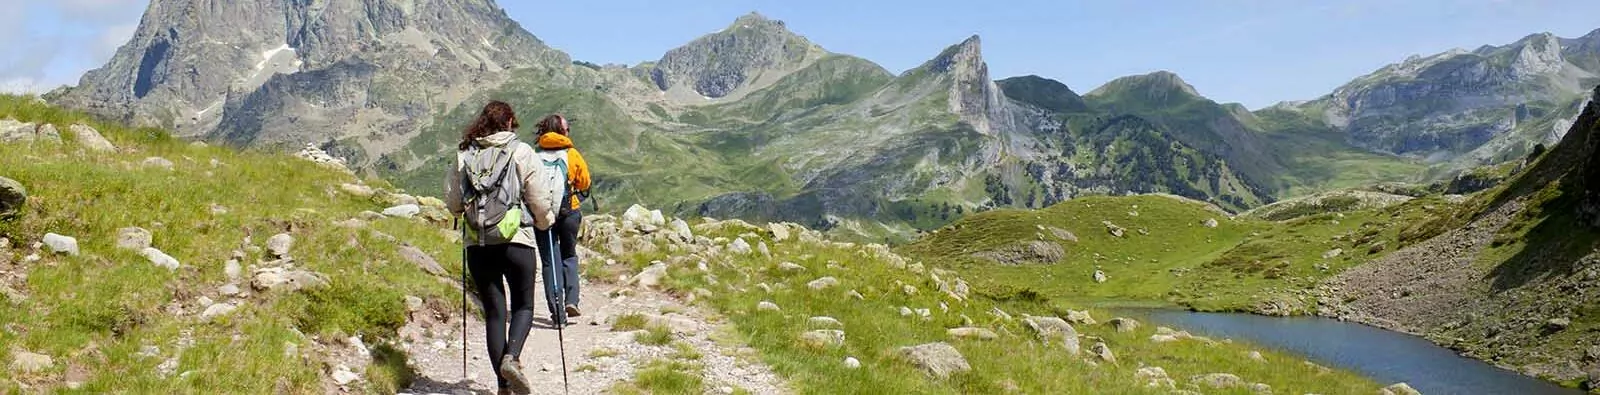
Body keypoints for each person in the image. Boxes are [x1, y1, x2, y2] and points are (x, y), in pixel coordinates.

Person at [444, 100, 556, 395]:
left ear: (481, 123)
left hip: (478, 243)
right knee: (524, 306)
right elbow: (540, 200)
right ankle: (513, 357)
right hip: (516, 240)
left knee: (495, 313)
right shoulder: (521, 152)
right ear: (509, 123)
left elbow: (454, 204)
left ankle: (503, 386)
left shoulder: (464, 153)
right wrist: (545, 223)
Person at [533, 114, 590, 326]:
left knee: (549, 261)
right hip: (569, 212)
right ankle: (572, 300)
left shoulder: (535, 155)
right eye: (567, 129)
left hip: (543, 214)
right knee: (569, 255)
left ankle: (557, 315)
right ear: (562, 132)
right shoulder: (572, 154)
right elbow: (584, 183)